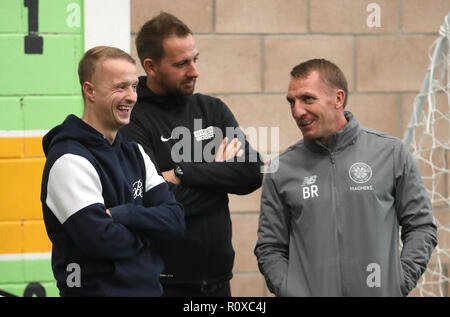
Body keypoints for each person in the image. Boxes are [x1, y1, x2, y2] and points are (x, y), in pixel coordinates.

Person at [254, 58, 438, 297]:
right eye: (292, 101)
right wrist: (291, 290)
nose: (297, 111)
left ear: (338, 99)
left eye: (308, 99)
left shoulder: (391, 153)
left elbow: (421, 226)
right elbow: (270, 247)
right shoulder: (282, 168)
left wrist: (398, 282)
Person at [120, 12, 263, 297]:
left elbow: (251, 172)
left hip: (218, 281)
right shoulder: (132, 119)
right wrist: (218, 176)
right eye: (181, 63)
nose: (194, 70)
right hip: (162, 284)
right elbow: (151, 205)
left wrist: (182, 172)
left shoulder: (212, 110)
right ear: (151, 66)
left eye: (195, 59)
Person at [40, 46, 185, 296]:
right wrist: (152, 240)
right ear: (90, 90)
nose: (131, 96)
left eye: (134, 86)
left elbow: (175, 221)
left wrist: (124, 214)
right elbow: (101, 240)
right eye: (120, 87)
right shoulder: (69, 159)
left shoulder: (136, 154)